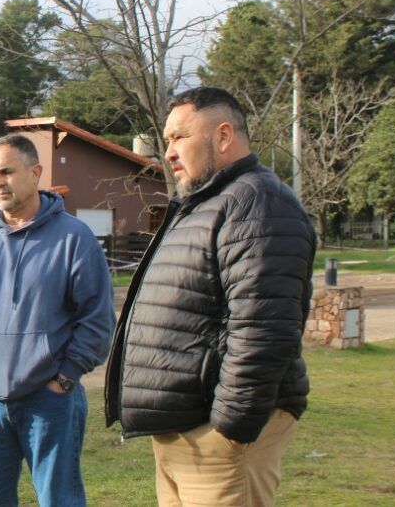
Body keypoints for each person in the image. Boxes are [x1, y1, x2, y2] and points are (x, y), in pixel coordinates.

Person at [104, 87, 316, 506]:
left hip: (216, 438)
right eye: (166, 141)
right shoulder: (202, 204)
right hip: (182, 430)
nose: (168, 153)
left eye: (179, 137)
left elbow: (264, 331)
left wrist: (229, 430)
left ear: (223, 136)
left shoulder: (257, 203)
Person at [0, 133, 114, 506]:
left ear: (35, 173)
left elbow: (97, 320)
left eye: (7, 171)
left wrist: (66, 377)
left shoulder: (75, 238)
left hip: (48, 400)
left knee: (59, 499)